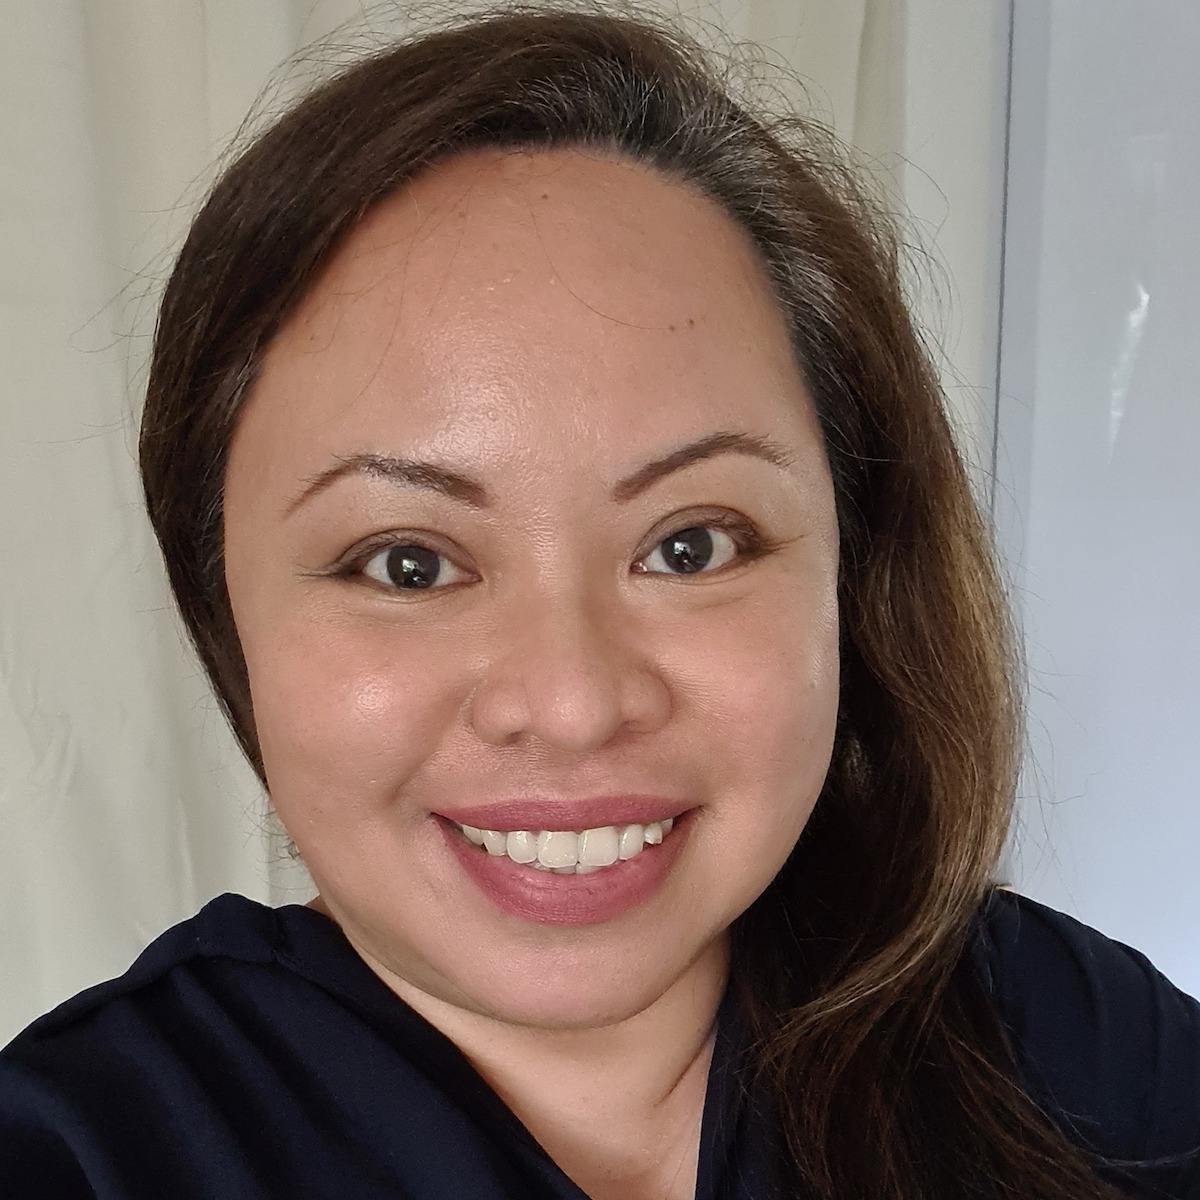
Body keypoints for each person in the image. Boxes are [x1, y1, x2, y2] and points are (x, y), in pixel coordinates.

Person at [1, 5, 1197, 1198]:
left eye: (689, 545)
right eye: (407, 564)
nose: (571, 704)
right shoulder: (87, 1151)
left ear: (850, 569)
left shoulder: (1076, 1049)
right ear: (228, 611)